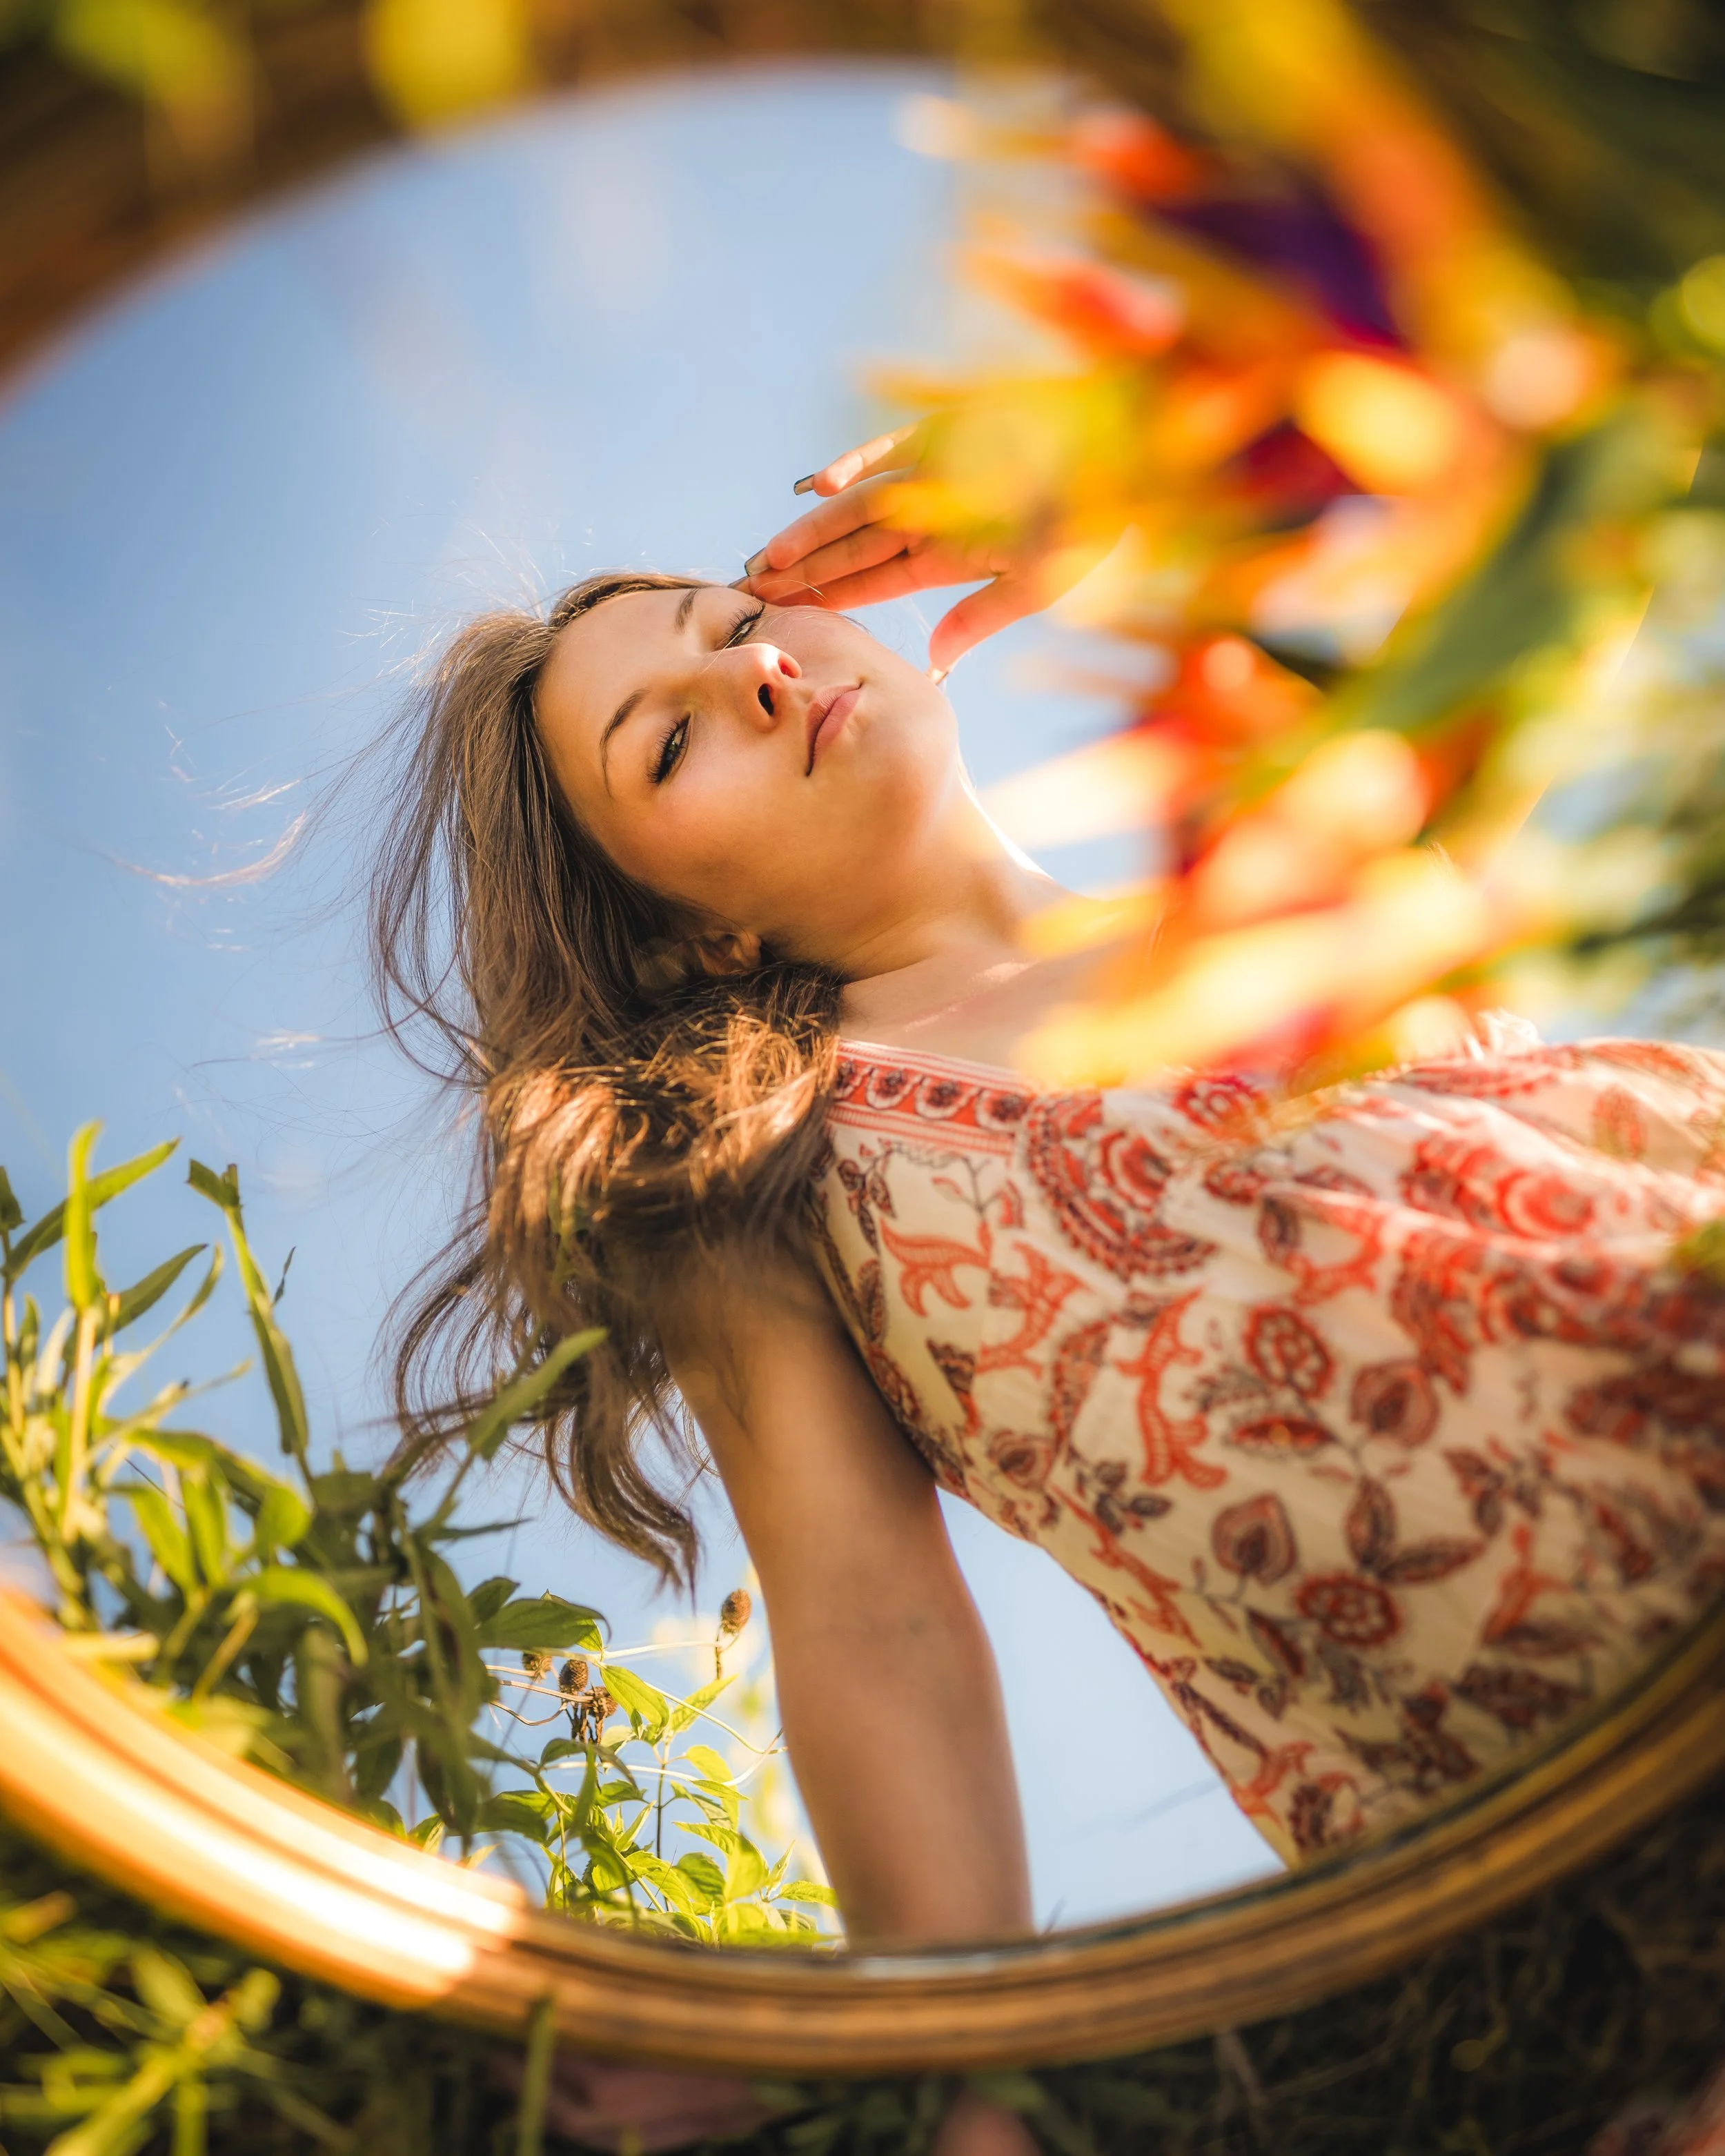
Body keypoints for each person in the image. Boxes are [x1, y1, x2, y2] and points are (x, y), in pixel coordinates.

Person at [373, 433, 1725, 2155]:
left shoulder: (1273, 850)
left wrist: (1172, 464)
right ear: (683, 937)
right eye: (675, 736)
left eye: (735, 623)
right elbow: (869, 1620)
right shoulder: (770, 1171)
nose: (761, 675)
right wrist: (968, 2084)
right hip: (1606, 1850)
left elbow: (1592, 475)